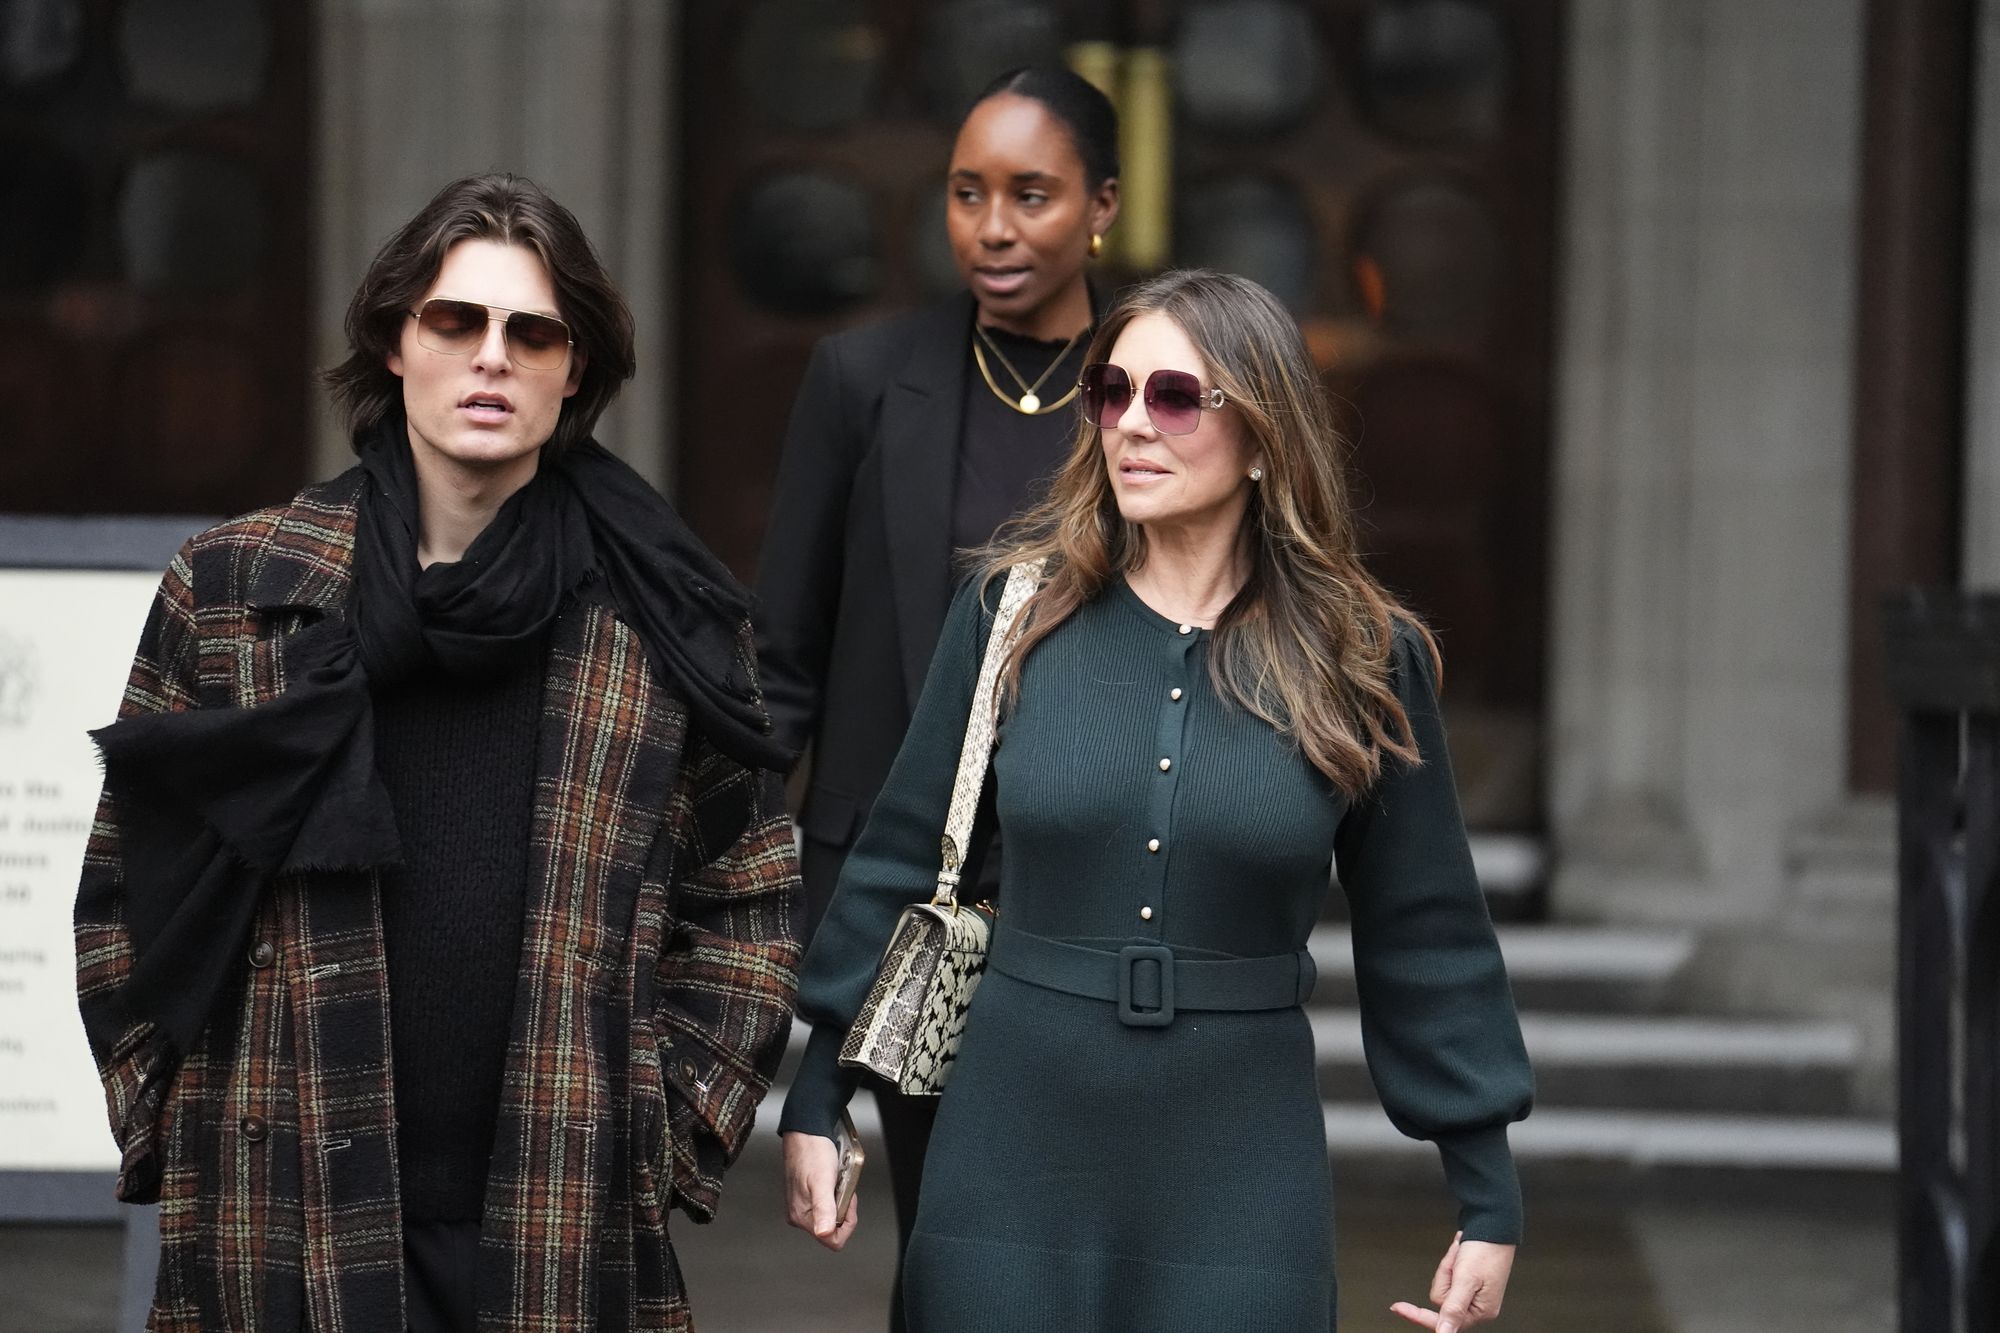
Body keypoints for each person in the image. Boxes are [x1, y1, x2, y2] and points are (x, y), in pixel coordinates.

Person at [75, 173, 801, 1333]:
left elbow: (747, 892)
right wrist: (169, 1113)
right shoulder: (236, 592)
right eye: (454, 321)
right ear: (395, 344)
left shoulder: (663, 620)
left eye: (532, 331)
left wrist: (663, 1127)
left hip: (562, 1212)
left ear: (577, 370)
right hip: (283, 1204)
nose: (491, 358)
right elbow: (127, 886)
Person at [779, 269, 1534, 1332]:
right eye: (1110, 391)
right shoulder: (1010, 614)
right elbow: (900, 853)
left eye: (1174, 397)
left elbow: (1426, 927)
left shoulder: (1363, 658)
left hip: (1238, 1156)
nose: (1131, 423)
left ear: (1264, 436)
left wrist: (1486, 1192)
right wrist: (821, 1089)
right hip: (1010, 1139)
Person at [754, 64, 1120, 1328]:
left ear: (1102, 209)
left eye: (1031, 193)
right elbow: (784, 656)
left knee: (1095, 1257)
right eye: (968, 194)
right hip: (917, 904)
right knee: (958, 1260)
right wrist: (752, 883)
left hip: (1106, 891)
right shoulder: (864, 379)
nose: (994, 226)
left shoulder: (1155, 388)